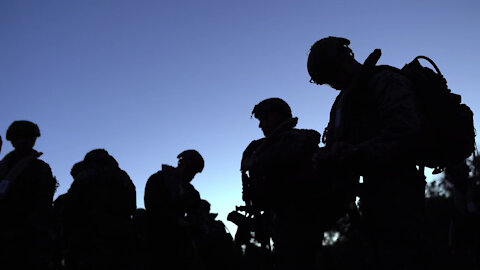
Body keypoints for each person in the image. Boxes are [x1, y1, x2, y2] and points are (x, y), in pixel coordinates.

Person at [307, 36, 427, 269]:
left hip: (402, 193)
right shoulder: (343, 102)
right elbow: (335, 145)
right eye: (327, 81)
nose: (333, 83)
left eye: (332, 75)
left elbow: (406, 133)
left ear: (344, 61)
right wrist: (326, 156)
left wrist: (355, 153)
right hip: (368, 200)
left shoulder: (385, 81)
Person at [240, 98, 322, 270]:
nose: (260, 125)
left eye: (263, 119)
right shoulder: (272, 144)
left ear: (277, 116)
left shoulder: (294, 138)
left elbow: (280, 162)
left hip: (299, 220)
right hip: (283, 220)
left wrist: (254, 162)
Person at [62, 149, 136, 270]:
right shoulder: (122, 176)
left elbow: (70, 209)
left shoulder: (85, 176)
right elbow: (131, 206)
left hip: (89, 238)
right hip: (121, 236)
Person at [0, 120, 57, 269]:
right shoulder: (3, 167)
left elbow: (43, 204)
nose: (24, 141)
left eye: (29, 137)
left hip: (29, 237)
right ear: (12, 140)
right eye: (19, 137)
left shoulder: (40, 168)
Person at [144, 149, 205, 270]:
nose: (191, 176)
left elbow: (197, 212)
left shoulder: (191, 192)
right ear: (181, 165)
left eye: (194, 173)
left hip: (181, 244)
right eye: (190, 170)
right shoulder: (159, 180)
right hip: (158, 238)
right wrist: (175, 220)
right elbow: (152, 205)